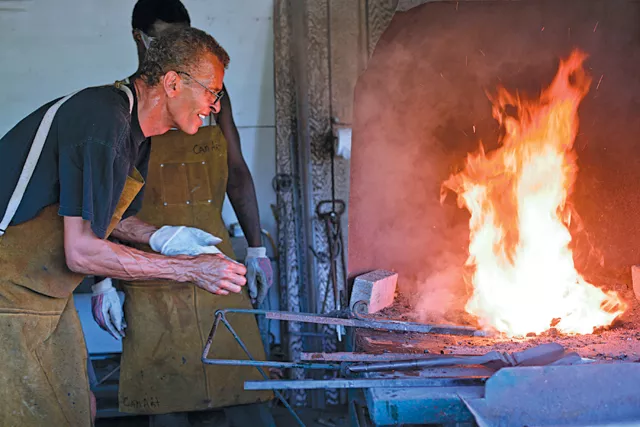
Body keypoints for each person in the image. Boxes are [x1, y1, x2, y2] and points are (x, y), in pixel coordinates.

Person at [0, 27, 246, 426]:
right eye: (212, 92)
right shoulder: (102, 120)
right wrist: (191, 269)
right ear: (172, 82)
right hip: (8, 296)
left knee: (79, 409)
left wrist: (162, 237)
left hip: (46, 298)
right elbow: (80, 250)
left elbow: (99, 212)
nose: (215, 106)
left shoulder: (139, 135)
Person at [88, 0, 275, 423]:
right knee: (167, 403)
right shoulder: (124, 110)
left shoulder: (210, 103)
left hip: (215, 264)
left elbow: (237, 173)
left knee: (232, 397)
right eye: (164, 41)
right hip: (151, 269)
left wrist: (257, 249)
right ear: (140, 39)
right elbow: (99, 206)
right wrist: (102, 281)